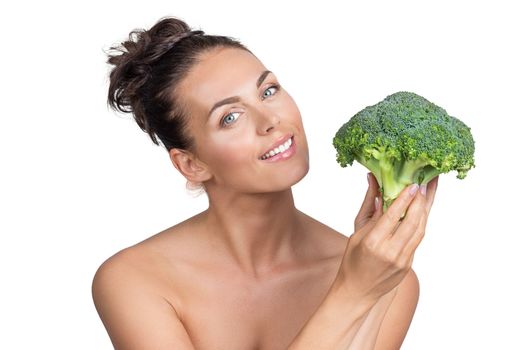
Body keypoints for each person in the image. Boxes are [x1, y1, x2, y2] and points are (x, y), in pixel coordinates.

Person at [91, 16, 439, 350]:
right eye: (230, 117)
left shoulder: (393, 283)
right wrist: (353, 293)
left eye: (269, 91)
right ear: (191, 164)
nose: (270, 120)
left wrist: (371, 290)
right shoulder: (134, 280)